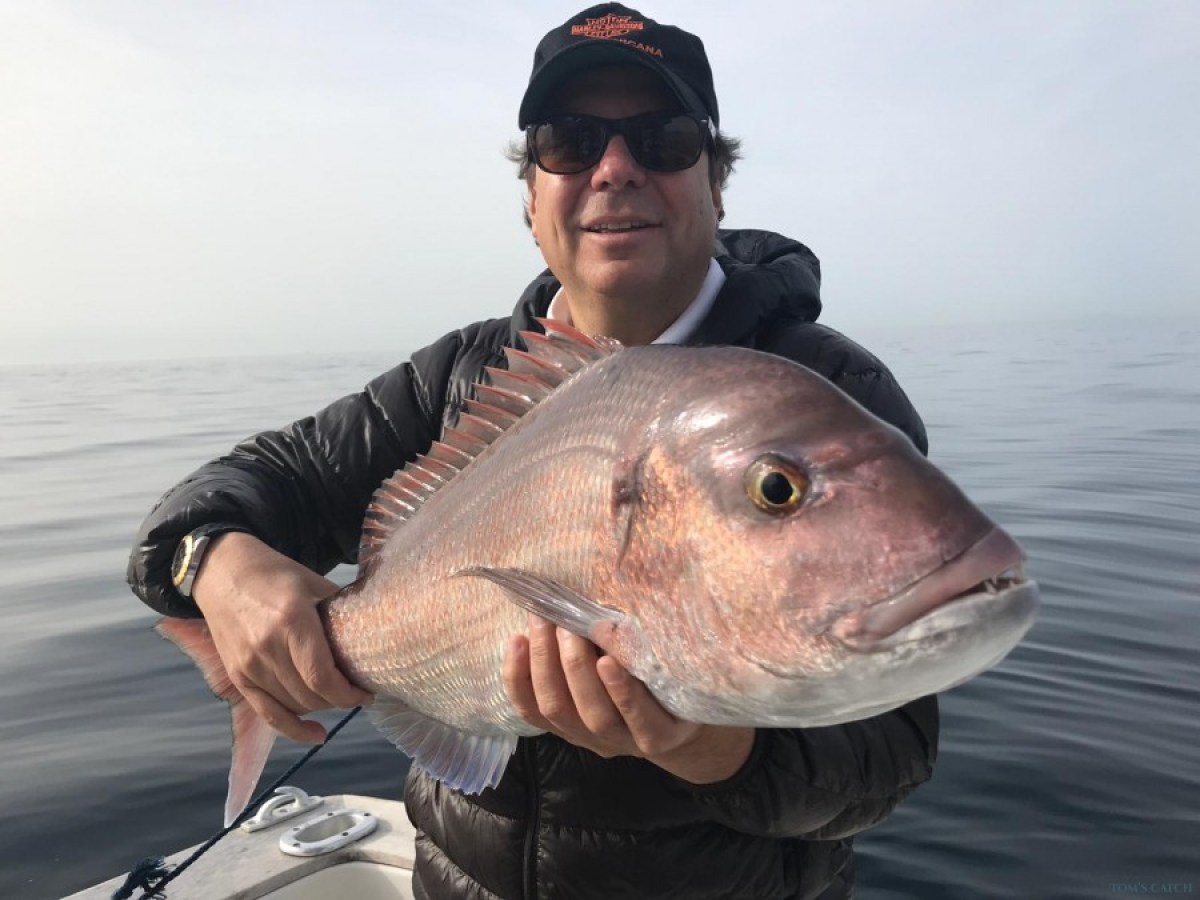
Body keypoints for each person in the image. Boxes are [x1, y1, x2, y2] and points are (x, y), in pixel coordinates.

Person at [128, 5, 938, 897]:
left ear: (717, 183)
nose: (616, 169)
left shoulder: (825, 396)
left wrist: (719, 751)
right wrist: (221, 565)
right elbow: (228, 495)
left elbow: (893, 752)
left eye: (664, 139)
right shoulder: (457, 381)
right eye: (570, 140)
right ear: (530, 196)